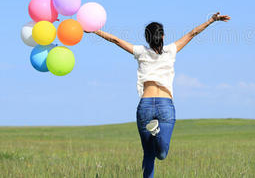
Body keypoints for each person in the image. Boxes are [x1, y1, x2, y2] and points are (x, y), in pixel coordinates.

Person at [87, 12, 231, 178]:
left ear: (147, 38)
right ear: (163, 36)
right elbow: (193, 33)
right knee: (161, 154)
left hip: (145, 105)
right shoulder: (171, 50)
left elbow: (116, 40)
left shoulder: (140, 51)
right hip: (165, 105)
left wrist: (95, 30)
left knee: (149, 154)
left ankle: (154, 133)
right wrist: (212, 20)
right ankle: (156, 133)